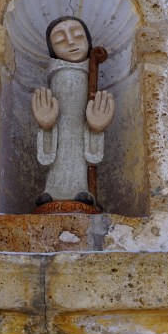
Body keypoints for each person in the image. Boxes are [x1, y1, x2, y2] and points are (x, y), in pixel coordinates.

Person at [31, 16, 114, 207]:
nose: (70, 42)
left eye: (77, 36)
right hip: (59, 130)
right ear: (52, 49)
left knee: (76, 151)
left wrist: (96, 128)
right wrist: (46, 125)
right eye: (60, 40)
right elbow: (50, 122)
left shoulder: (89, 74)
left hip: (80, 132)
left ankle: (80, 190)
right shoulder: (56, 75)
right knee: (61, 151)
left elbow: (90, 124)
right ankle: (52, 191)